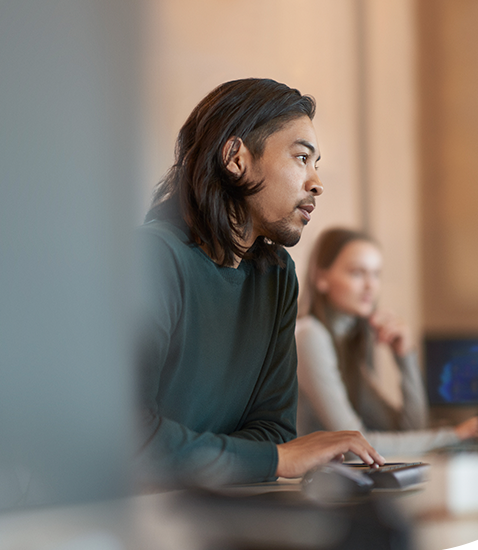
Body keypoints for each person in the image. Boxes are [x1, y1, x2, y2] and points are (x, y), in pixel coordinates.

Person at [135, 78, 385, 488]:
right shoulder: (152, 259)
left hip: (221, 508)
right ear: (236, 158)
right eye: (302, 158)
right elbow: (128, 436)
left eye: (317, 164)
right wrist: (271, 459)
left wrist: (261, 456)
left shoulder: (277, 277)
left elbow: (273, 431)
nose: (317, 183)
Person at [296, 227, 478, 457]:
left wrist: (405, 358)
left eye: (376, 274)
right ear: (321, 278)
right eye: (357, 273)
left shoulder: (344, 346)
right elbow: (355, 446)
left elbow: (411, 429)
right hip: (301, 486)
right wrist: (453, 436)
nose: (370, 285)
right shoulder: (309, 335)